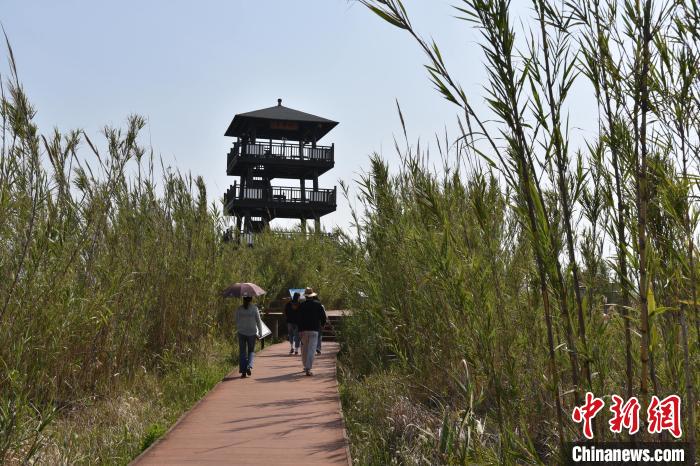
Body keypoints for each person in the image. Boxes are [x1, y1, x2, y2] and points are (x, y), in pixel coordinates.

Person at [297, 287, 327, 376]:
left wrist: (299, 330)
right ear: (312, 296)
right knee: (311, 349)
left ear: (305, 296)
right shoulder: (318, 305)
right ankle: (308, 368)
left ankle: (305, 366)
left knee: (304, 349)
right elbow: (323, 317)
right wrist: (322, 325)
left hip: (303, 330)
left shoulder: (301, 305)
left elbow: (298, 319)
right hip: (314, 330)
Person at [235, 292, 263, 378]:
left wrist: (240, 327)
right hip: (252, 332)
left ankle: (243, 372)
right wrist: (260, 332)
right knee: (251, 351)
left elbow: (236, 320)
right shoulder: (254, 308)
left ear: (243, 299)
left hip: (241, 332)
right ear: (251, 299)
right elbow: (258, 321)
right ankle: (248, 366)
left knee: (242, 352)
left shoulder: (239, 309)